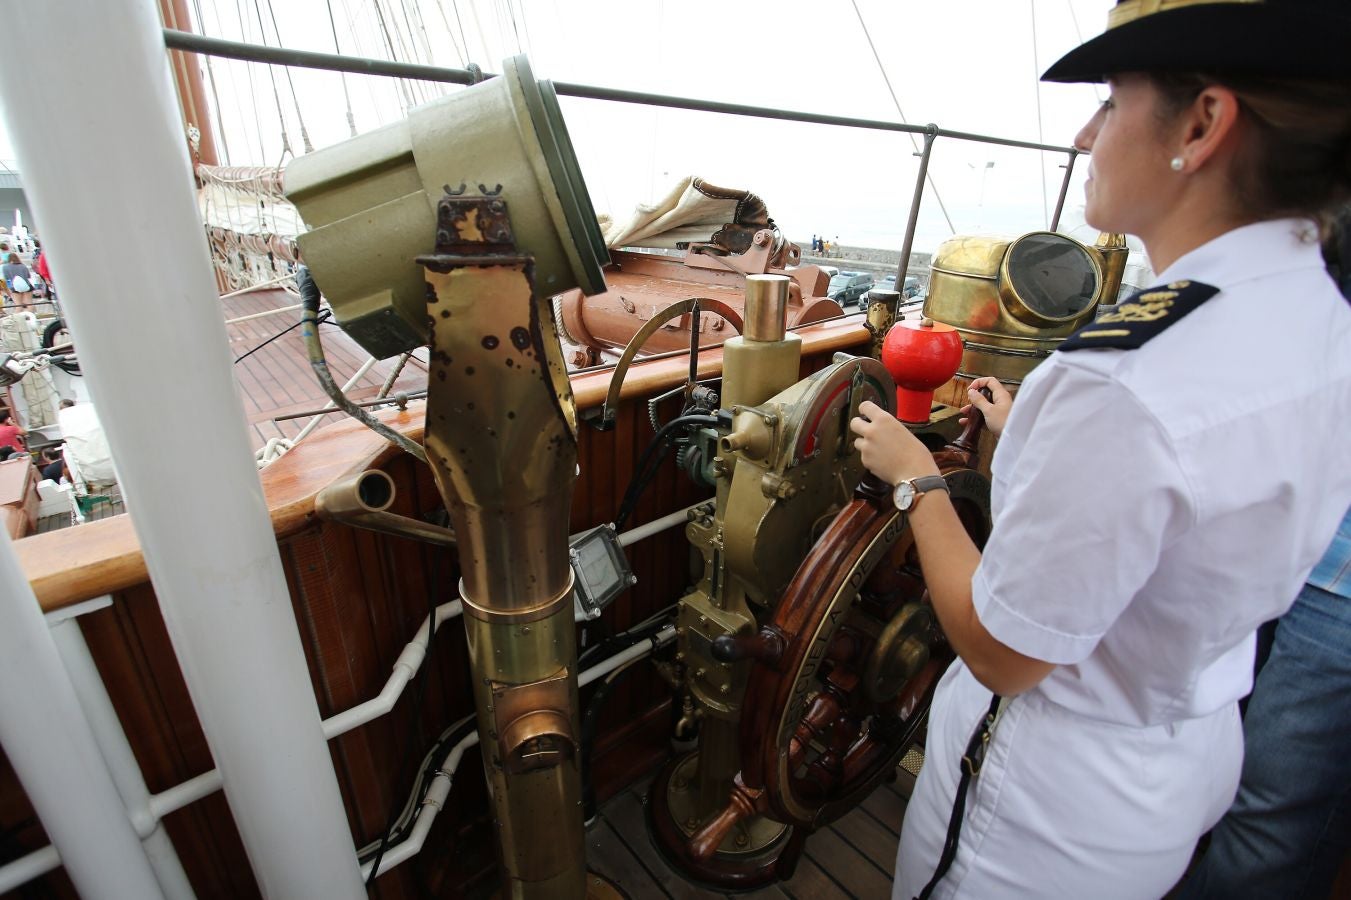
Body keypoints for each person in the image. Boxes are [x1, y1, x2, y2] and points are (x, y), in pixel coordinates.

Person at [848, 2, 1351, 897]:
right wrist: (1036, 441)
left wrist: (916, 480)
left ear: (1200, 125)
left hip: (1036, 815)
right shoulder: (1313, 314)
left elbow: (1002, 652)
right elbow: (1193, 496)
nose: (1084, 135)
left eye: (1111, 101)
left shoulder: (1122, 383)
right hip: (1178, 756)